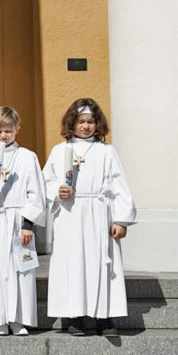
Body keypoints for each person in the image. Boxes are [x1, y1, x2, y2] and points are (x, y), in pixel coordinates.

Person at [42, 98, 135, 337]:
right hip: (70, 213)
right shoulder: (59, 151)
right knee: (72, 264)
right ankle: (74, 317)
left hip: (99, 213)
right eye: (81, 121)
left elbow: (119, 186)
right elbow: (45, 183)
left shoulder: (106, 151)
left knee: (103, 265)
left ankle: (106, 318)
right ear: (71, 124)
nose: (85, 126)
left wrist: (121, 220)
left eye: (90, 121)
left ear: (97, 124)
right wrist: (57, 190)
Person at [0, 106, 47, 336]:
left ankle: (18, 319)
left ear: (17, 129)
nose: (3, 136)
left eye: (8, 131)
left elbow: (36, 193)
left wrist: (27, 225)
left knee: (20, 269)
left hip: (17, 220)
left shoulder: (27, 157)